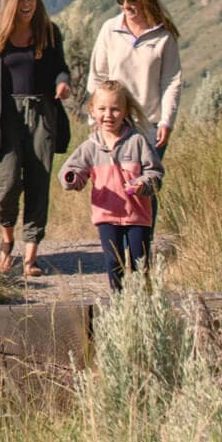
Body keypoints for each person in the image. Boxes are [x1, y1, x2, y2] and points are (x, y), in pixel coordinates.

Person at [0, 0, 72, 278]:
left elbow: (60, 68)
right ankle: (7, 240)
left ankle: (30, 254)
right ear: (10, 2)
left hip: (42, 113)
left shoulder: (49, 32)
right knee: (7, 182)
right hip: (6, 115)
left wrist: (63, 83)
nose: (27, 5)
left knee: (39, 181)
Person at [60, 80, 163, 291]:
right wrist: (72, 177)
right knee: (113, 262)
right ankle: (118, 302)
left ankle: (143, 302)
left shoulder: (137, 141)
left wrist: (142, 184)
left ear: (125, 111)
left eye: (115, 109)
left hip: (137, 216)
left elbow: (155, 173)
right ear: (92, 110)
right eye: (102, 109)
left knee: (140, 263)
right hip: (106, 216)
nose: (108, 115)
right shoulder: (91, 147)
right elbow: (71, 171)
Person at [92, 0, 184, 158]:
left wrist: (167, 122)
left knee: (146, 176)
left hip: (149, 126)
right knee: (112, 175)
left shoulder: (164, 36)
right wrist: (95, 117)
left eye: (132, 0)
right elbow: (98, 76)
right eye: (121, 0)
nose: (126, 5)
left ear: (146, 0)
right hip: (113, 123)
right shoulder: (110, 29)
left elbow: (171, 82)